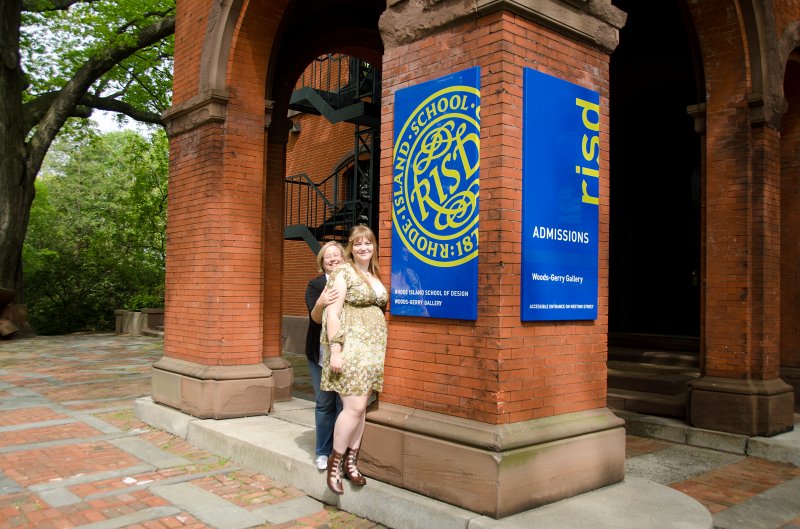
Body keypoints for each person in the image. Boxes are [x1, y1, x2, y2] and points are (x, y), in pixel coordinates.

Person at [320, 225, 388, 495]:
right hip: (352, 349)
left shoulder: (374, 274)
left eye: (368, 243)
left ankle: (352, 463)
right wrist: (336, 351)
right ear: (351, 247)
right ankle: (334, 466)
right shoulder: (343, 272)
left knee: (361, 409)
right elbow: (333, 313)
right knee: (353, 407)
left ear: (374, 247)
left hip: (373, 350)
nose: (363, 248)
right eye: (357, 244)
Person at [305, 241, 345, 470]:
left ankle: (339, 454)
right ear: (322, 261)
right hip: (318, 353)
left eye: (337, 255)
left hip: (345, 353)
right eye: (328, 256)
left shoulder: (351, 281)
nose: (333, 259)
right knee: (324, 403)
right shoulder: (315, 284)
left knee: (342, 404)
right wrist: (321, 302)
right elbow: (315, 318)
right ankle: (322, 451)